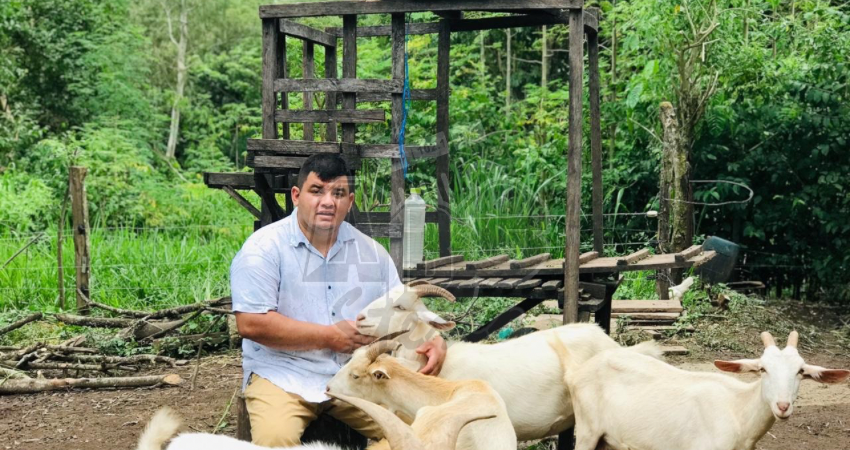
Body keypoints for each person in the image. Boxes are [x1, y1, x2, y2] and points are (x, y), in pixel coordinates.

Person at [230, 153, 447, 447]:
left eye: (339, 193)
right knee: (275, 440)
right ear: (297, 195)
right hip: (284, 374)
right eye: (317, 190)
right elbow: (252, 324)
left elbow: (401, 308)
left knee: (419, 433)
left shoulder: (371, 253)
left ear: (350, 201)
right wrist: (329, 337)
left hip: (357, 375)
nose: (328, 201)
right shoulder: (264, 249)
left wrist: (432, 338)